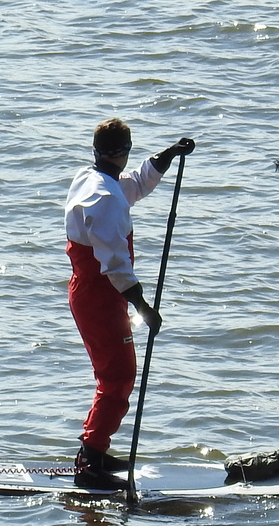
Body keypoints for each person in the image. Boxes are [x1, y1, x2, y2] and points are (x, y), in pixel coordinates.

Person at [64, 118, 195, 488]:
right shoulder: (106, 201)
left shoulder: (91, 179)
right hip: (100, 297)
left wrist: (169, 155)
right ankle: (90, 463)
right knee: (118, 377)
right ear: (124, 151)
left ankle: (95, 449)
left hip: (90, 293)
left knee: (113, 376)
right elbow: (116, 266)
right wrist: (145, 309)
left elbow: (136, 184)